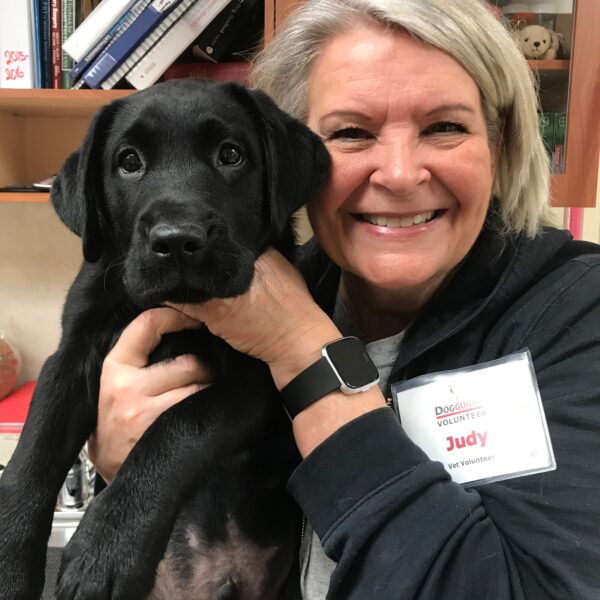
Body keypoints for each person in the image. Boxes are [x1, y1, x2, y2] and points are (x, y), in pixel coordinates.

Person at [89, 0, 600, 597]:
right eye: (352, 132)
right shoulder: (243, 294)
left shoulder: (578, 312)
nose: (401, 175)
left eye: (445, 127)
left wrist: (304, 349)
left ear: (500, 144)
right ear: (286, 162)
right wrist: (133, 474)